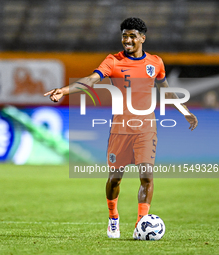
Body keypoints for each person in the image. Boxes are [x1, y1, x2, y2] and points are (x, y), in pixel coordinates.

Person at [44, 17, 198, 239]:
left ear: (142, 38)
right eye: (124, 35)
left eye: (132, 36)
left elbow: (166, 91)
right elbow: (90, 80)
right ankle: (113, 218)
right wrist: (64, 90)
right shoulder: (112, 61)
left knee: (146, 176)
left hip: (146, 129)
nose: (127, 39)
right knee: (115, 178)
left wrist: (185, 112)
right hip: (120, 129)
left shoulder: (155, 63)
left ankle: (140, 224)